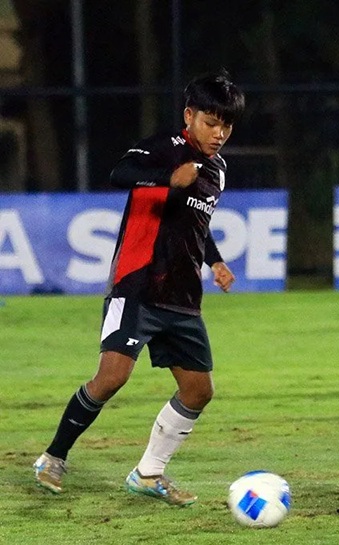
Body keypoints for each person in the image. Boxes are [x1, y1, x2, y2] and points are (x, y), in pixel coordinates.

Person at [32, 70, 244, 506]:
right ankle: (53, 457)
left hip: (183, 297)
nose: (219, 133)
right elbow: (120, 172)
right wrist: (167, 179)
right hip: (138, 285)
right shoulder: (165, 148)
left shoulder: (217, 170)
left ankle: (149, 474)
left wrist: (216, 260)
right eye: (210, 121)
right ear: (190, 116)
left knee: (199, 391)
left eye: (226, 124)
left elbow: (196, 224)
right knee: (112, 377)